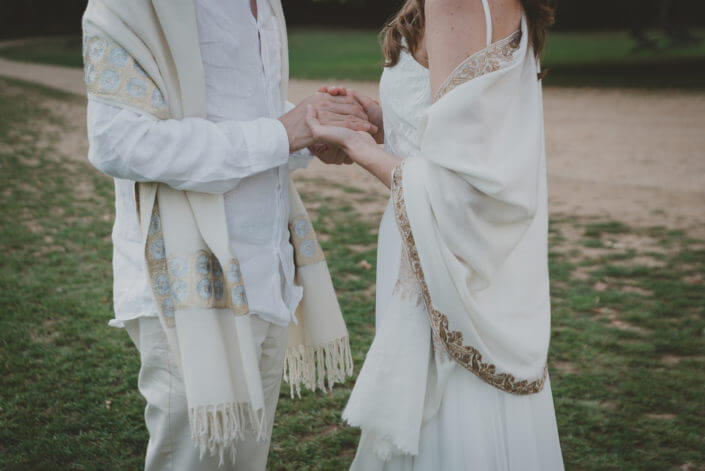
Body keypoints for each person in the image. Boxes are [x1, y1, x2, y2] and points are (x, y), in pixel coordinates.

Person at [82, 0, 371, 469]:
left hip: (272, 274)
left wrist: (317, 132)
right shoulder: (133, 5)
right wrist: (281, 134)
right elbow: (116, 140)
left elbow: (245, 108)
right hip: (187, 287)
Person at [307, 0, 565, 468]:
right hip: (454, 247)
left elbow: (458, 189)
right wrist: (383, 122)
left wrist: (361, 149)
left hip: (440, 255)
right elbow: (460, 131)